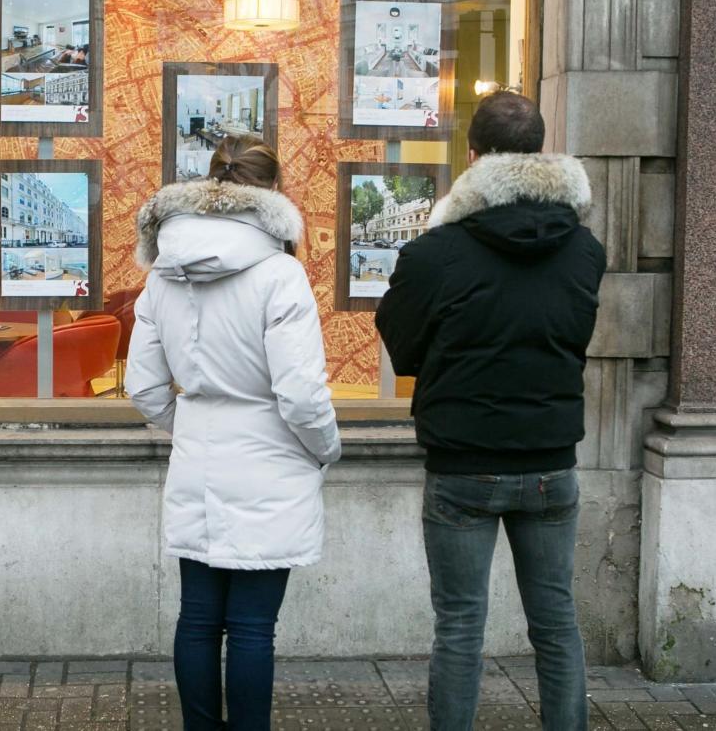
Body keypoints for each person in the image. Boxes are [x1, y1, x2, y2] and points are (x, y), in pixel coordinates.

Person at [375, 91, 605, 730]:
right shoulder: (584, 250)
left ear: (471, 157)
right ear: (540, 153)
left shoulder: (435, 252)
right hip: (550, 460)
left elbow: (403, 346)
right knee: (557, 623)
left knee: (459, 628)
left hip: (463, 463)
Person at [126, 133, 341, 731]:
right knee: (251, 627)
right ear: (272, 191)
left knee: (197, 618)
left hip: (197, 457)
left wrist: (191, 425)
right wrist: (325, 450)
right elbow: (300, 394)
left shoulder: (163, 273)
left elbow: (143, 387)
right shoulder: (280, 274)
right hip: (272, 460)